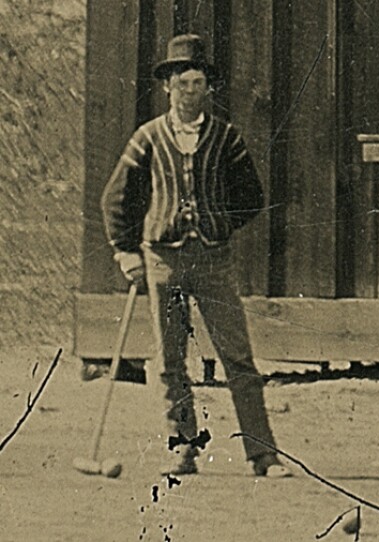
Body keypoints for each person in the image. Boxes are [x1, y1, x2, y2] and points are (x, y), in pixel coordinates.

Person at [101, 34, 291, 478]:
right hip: (162, 261)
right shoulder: (147, 137)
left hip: (213, 261)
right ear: (167, 86)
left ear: (209, 88)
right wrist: (126, 253)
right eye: (182, 82)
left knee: (238, 357)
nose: (190, 91)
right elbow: (115, 200)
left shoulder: (227, 138)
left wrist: (218, 223)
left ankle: (263, 455)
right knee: (169, 361)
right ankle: (182, 449)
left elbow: (251, 197)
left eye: (198, 82)